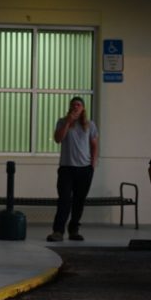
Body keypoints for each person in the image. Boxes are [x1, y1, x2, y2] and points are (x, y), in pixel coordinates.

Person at [47, 96, 99, 242]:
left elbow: (94, 145)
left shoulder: (90, 125)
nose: (76, 107)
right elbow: (58, 139)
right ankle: (58, 231)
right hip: (66, 168)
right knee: (64, 199)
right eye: (73, 104)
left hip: (84, 169)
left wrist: (92, 165)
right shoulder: (62, 122)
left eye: (78, 104)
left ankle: (74, 230)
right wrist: (68, 122)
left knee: (79, 201)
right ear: (70, 107)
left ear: (83, 108)